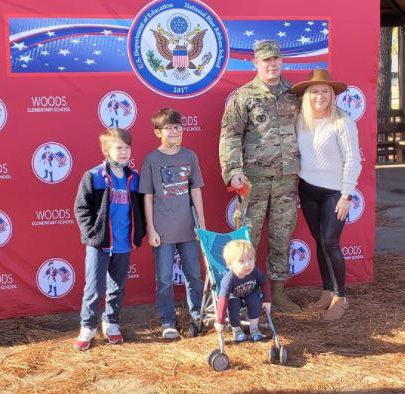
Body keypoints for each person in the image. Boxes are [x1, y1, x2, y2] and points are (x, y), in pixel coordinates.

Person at [219, 39, 300, 312]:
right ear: (256, 63)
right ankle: (244, 294)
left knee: (282, 235)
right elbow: (230, 136)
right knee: (247, 238)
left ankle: (277, 293)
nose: (272, 64)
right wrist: (233, 171)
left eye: (275, 59)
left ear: (281, 61)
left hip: (287, 179)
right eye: (266, 60)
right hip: (253, 180)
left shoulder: (295, 94)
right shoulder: (243, 96)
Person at [291, 69, 362, 320]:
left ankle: (341, 297)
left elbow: (353, 160)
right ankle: (326, 290)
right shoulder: (301, 120)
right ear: (307, 95)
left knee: (331, 242)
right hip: (308, 189)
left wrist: (346, 195)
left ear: (332, 95)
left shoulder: (342, 122)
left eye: (325, 91)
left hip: (334, 192)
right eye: (314, 91)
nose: (319, 96)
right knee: (320, 241)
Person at [73, 127, 145, 350]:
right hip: (100, 244)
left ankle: (111, 322)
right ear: (106, 150)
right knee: (94, 288)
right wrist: (92, 233)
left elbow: (142, 209)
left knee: (117, 287)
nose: (124, 152)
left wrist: (140, 232)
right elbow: (81, 208)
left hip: (124, 243)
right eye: (118, 148)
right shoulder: (93, 176)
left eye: (127, 147)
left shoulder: (134, 178)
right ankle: (88, 326)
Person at [139, 108, 205, 339]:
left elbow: (195, 190)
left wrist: (202, 224)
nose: (175, 131)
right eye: (169, 127)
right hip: (163, 231)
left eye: (178, 127)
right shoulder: (151, 160)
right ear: (158, 132)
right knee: (165, 278)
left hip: (188, 228)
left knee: (194, 275)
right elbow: (147, 196)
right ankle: (168, 319)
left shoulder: (190, 156)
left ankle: (198, 315)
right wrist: (151, 228)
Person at [214, 240, 271, 342]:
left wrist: (267, 300)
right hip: (234, 295)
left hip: (249, 292)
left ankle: (254, 328)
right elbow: (223, 299)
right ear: (230, 264)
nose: (247, 264)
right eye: (241, 261)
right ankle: (237, 330)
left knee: (255, 299)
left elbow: (264, 282)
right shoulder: (229, 280)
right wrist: (220, 320)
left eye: (250, 259)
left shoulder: (254, 271)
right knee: (233, 303)